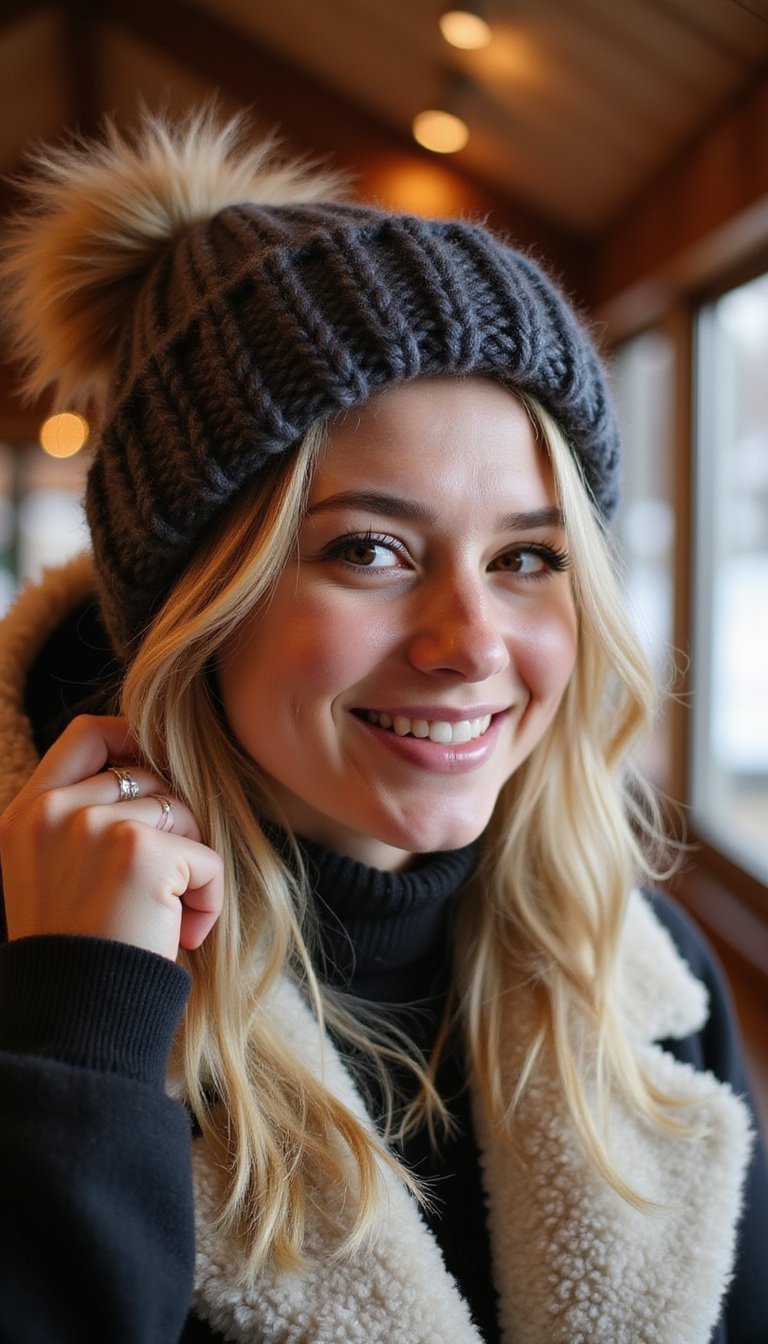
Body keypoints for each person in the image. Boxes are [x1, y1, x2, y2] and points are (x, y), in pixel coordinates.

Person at [0, 108, 765, 1344]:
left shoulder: (643, 973)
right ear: (197, 601)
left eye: (528, 556)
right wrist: (80, 1038)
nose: (470, 643)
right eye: (369, 550)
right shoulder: (50, 989)